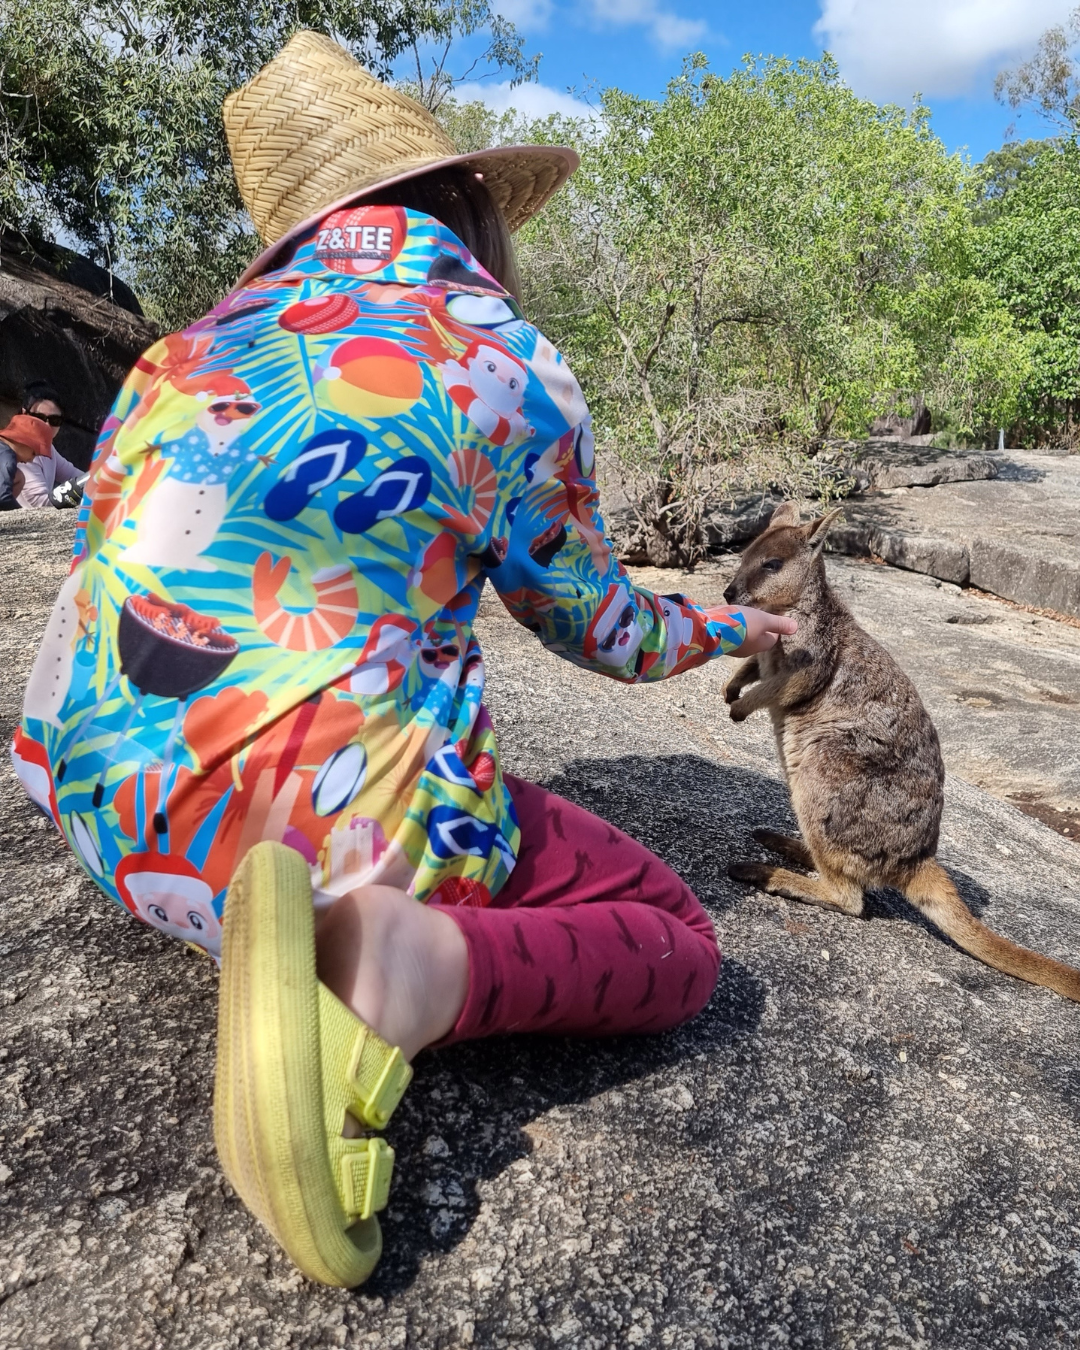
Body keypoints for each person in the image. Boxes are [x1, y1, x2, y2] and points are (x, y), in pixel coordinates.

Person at [14, 32, 797, 1289]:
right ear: (470, 205)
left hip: (106, 813)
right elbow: (601, 629)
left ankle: (273, 918)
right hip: (311, 832)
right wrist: (725, 625)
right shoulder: (500, 360)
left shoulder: (179, 355)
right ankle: (402, 965)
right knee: (678, 937)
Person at [15, 382, 83, 508]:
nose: (46, 426)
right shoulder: (18, 449)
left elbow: (76, 477)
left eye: (54, 421)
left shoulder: (48, 449)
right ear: (24, 414)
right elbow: (41, 504)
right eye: (39, 418)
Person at [0, 413, 54, 508]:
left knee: (19, 476)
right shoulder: (7, 457)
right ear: (22, 441)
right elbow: (3, 497)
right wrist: (22, 517)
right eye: (33, 453)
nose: (31, 460)